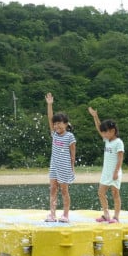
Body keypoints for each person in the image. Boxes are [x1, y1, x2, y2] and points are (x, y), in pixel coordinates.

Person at [88, 106, 124, 223]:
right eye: (103, 132)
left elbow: (120, 158)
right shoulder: (107, 140)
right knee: (101, 192)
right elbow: (99, 128)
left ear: (112, 131)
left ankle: (116, 217)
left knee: (115, 193)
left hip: (115, 172)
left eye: (105, 132)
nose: (103, 134)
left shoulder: (118, 142)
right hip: (106, 172)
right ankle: (106, 214)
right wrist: (95, 116)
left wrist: (116, 172)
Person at [44, 92, 76, 223]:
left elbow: (73, 155)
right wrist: (50, 105)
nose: (56, 126)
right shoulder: (54, 134)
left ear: (66, 124)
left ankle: (66, 215)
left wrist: (72, 168)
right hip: (54, 166)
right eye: (55, 124)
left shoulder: (70, 136)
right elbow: (49, 117)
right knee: (52, 189)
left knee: (64, 191)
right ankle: (52, 214)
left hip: (65, 167)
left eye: (59, 124)